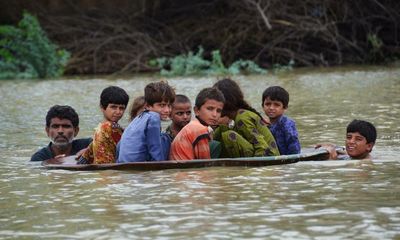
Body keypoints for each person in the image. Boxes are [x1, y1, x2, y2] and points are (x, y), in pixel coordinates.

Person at [213, 78, 280, 158]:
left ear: (225, 102)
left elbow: (262, 148)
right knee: (222, 129)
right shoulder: (233, 119)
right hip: (259, 154)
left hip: (268, 156)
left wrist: (254, 170)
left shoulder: (242, 118)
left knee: (229, 136)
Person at [117, 81, 175, 162]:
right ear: (148, 106)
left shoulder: (137, 119)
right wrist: (162, 171)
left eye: (169, 105)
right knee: (165, 138)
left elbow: (120, 145)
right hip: (138, 165)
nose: (167, 110)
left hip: (123, 163)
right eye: (161, 105)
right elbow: (155, 149)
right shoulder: (154, 117)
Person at [169, 87, 225, 160]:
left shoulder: (194, 125)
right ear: (196, 110)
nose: (214, 114)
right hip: (184, 170)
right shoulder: (199, 130)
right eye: (210, 109)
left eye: (218, 111)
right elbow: (205, 164)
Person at [78, 86, 129, 164]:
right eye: (113, 107)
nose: (118, 112)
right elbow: (104, 166)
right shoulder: (103, 129)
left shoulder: (120, 129)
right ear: (102, 107)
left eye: (121, 108)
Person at [262, 86, 301, 155]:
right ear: (263, 106)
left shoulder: (287, 123)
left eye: (276, 105)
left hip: (287, 158)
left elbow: (294, 145)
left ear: (285, 107)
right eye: (268, 104)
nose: (271, 108)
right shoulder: (262, 123)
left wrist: (292, 158)